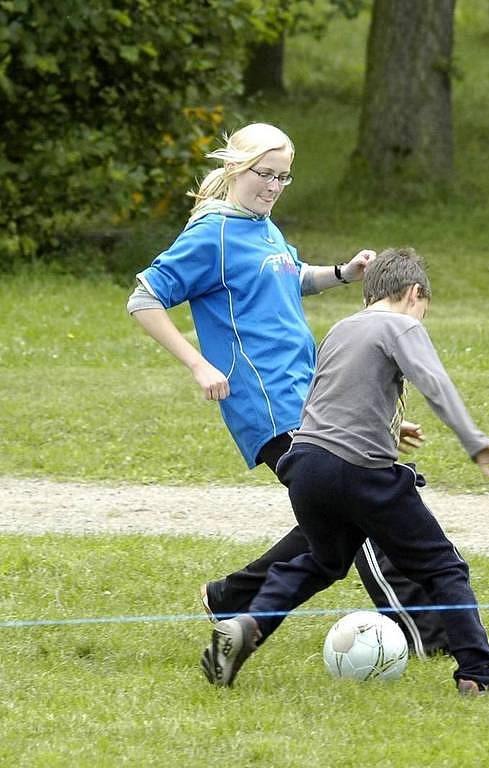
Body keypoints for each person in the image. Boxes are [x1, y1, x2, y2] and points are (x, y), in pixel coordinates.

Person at [127, 122, 448, 656]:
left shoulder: (262, 226)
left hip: (311, 393)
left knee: (338, 519)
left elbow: (288, 275)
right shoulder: (212, 234)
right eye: (264, 175)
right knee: (363, 504)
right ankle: (427, 632)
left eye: (283, 178)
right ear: (236, 169)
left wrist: (343, 272)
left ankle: (233, 597)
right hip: (268, 401)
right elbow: (143, 300)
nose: (273, 187)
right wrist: (198, 365)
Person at [200, 247, 489, 696]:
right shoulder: (402, 324)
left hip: (306, 463)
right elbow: (435, 382)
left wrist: (391, 426)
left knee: (322, 561)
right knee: (444, 567)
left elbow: (329, 399)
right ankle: (478, 678)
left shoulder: (341, 328)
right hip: (361, 471)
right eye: (423, 309)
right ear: (415, 294)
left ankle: (250, 623)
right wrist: (475, 442)